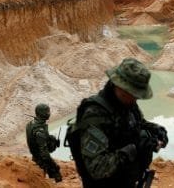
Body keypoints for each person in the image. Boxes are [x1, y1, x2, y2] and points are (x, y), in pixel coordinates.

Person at [70, 57, 168, 188]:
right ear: (118, 86)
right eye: (133, 93)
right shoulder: (94, 115)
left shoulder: (127, 103)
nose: (136, 98)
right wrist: (134, 148)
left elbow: (138, 123)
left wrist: (157, 129)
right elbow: (97, 168)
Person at [26, 103, 62, 182]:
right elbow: (44, 154)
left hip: (35, 156)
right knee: (56, 173)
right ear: (42, 113)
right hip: (41, 161)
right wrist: (54, 166)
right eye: (47, 112)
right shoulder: (39, 131)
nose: (49, 113)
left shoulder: (31, 124)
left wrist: (51, 139)